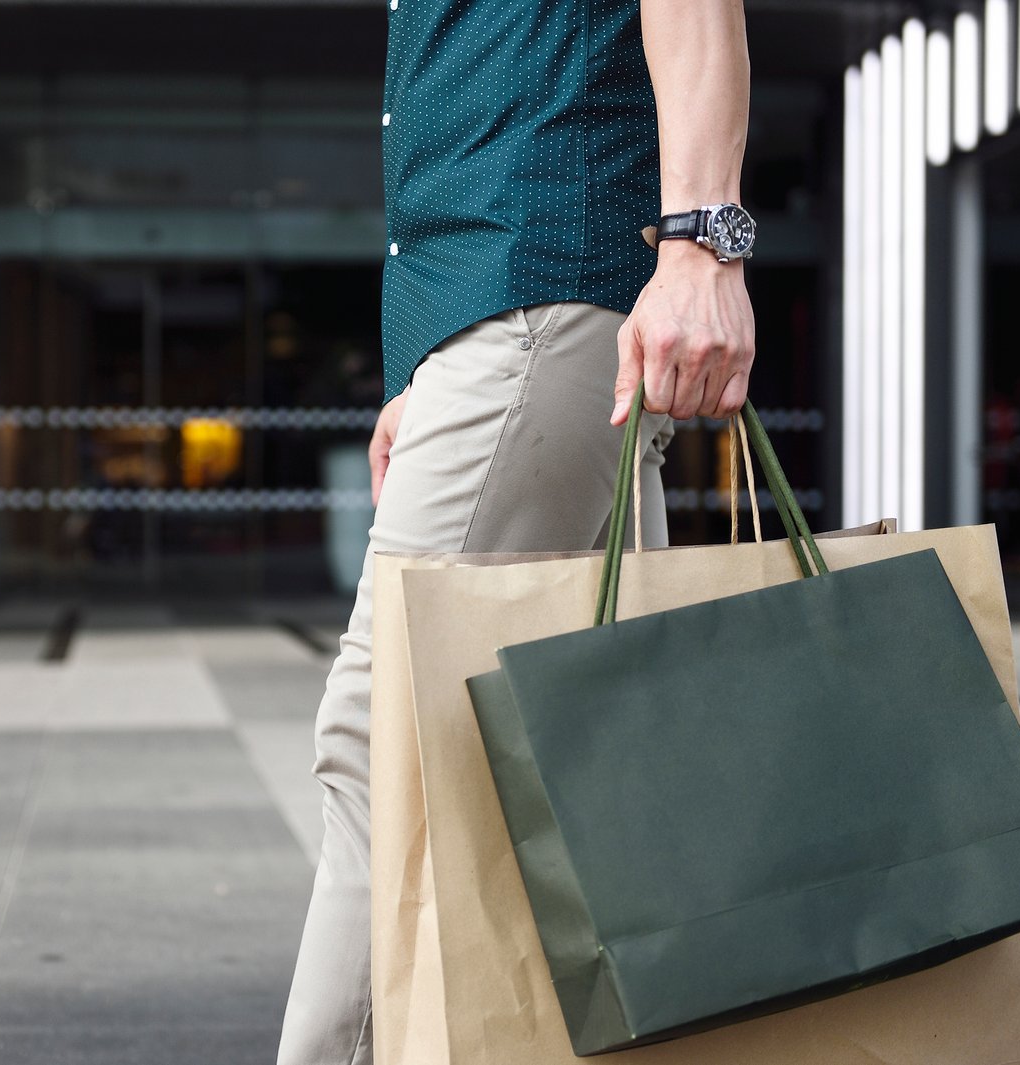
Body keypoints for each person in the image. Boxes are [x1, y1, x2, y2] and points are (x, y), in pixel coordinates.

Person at [276, 1, 757, 1061]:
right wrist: (426, 365)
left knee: (383, 737)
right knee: (584, 748)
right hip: (495, 312)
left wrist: (699, 249)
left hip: (540, 287)